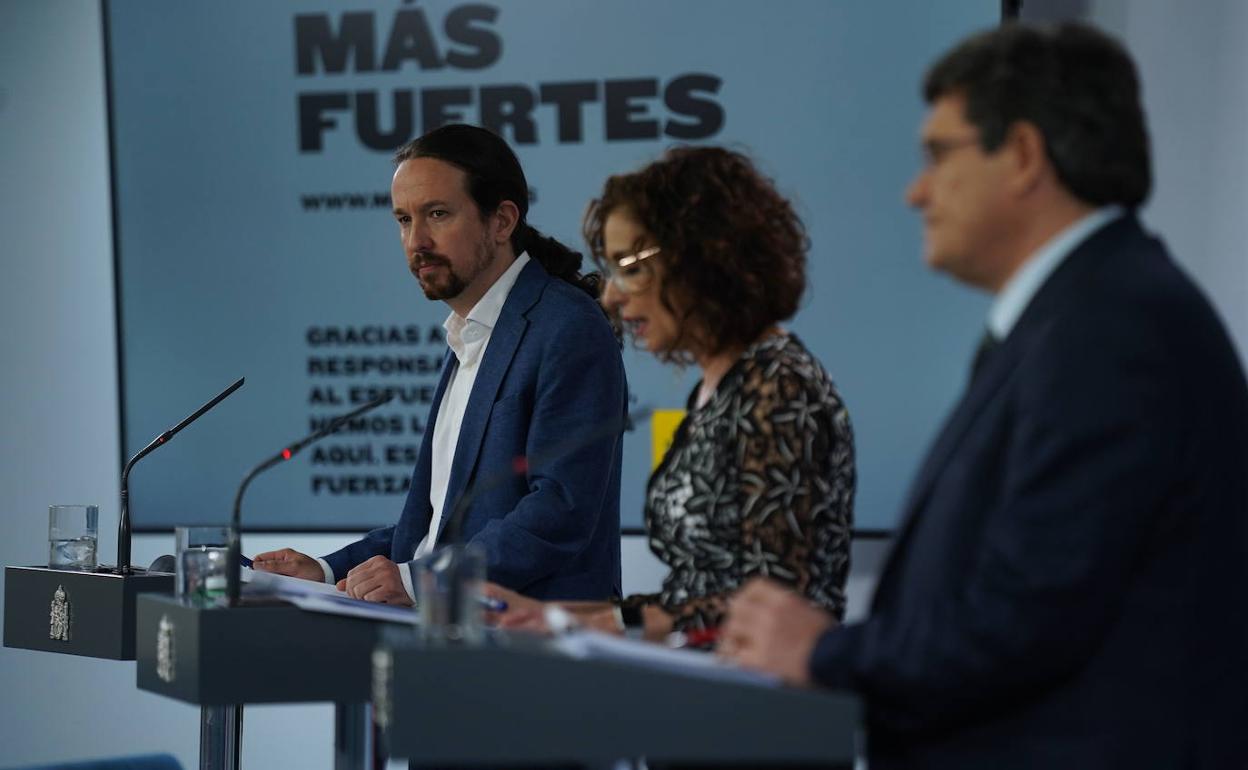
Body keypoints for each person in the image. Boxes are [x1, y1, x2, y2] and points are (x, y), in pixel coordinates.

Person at [720, 22, 1248, 769]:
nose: (916, 192)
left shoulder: (1111, 331)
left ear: (1025, 155)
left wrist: (826, 653)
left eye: (939, 154)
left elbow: (1021, 622)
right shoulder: (1084, 315)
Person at [490, 146, 855, 641]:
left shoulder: (779, 388)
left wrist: (602, 622)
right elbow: (702, 589)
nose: (612, 295)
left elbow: (776, 605)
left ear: (705, 260)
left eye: (631, 266)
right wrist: (557, 616)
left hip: (764, 702)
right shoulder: (721, 388)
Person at [254, 124, 627, 604]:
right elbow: (434, 529)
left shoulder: (567, 327)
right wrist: (328, 572)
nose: (417, 241)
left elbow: (559, 510)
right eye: (404, 220)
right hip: (452, 640)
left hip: (534, 646)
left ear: (502, 221)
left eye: (437, 214)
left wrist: (422, 582)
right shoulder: (469, 335)